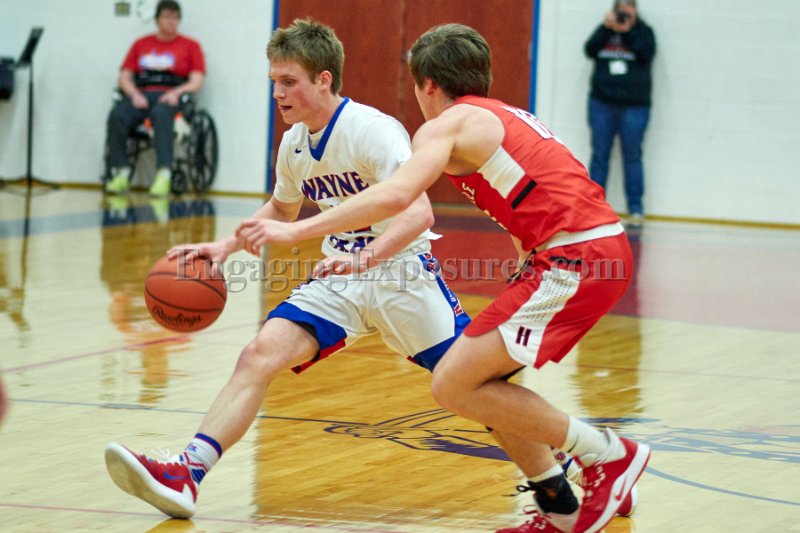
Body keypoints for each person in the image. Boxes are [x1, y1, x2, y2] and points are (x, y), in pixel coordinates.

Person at [239, 23, 651, 533]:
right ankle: (562, 507)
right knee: (472, 377)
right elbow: (530, 195)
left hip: (575, 255)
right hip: (584, 251)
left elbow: (398, 196)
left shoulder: (445, 126)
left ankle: (606, 454)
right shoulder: (502, 117)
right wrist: (524, 262)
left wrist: (301, 229)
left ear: (427, 84)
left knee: (454, 383)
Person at [104, 17, 476, 519]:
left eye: (288, 81)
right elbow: (282, 209)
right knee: (258, 354)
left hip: (402, 273)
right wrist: (223, 247)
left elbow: (418, 215)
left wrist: (363, 259)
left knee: (475, 386)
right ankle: (187, 473)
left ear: (324, 80)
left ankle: (563, 458)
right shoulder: (294, 144)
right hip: (339, 278)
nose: (277, 93)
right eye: (273, 81)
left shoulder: (372, 130)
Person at [105, 0, 205, 197]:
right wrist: (134, 94)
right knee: (117, 115)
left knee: (161, 113)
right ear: (157, 19)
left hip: (171, 97)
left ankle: (164, 174)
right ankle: (120, 172)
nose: (171, 21)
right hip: (142, 96)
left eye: (175, 17)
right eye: (166, 16)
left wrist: (176, 93)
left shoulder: (191, 46)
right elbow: (124, 77)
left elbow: (197, 81)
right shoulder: (140, 44)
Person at [584, 0, 656, 222]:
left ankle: (635, 208)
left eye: (629, 8)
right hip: (602, 103)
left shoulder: (644, 32)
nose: (624, 13)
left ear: (635, 11)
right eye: (621, 9)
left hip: (634, 106)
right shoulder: (606, 29)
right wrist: (606, 28)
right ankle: (594, 207)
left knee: (632, 156)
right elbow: (589, 50)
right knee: (599, 155)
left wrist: (627, 32)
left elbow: (646, 54)